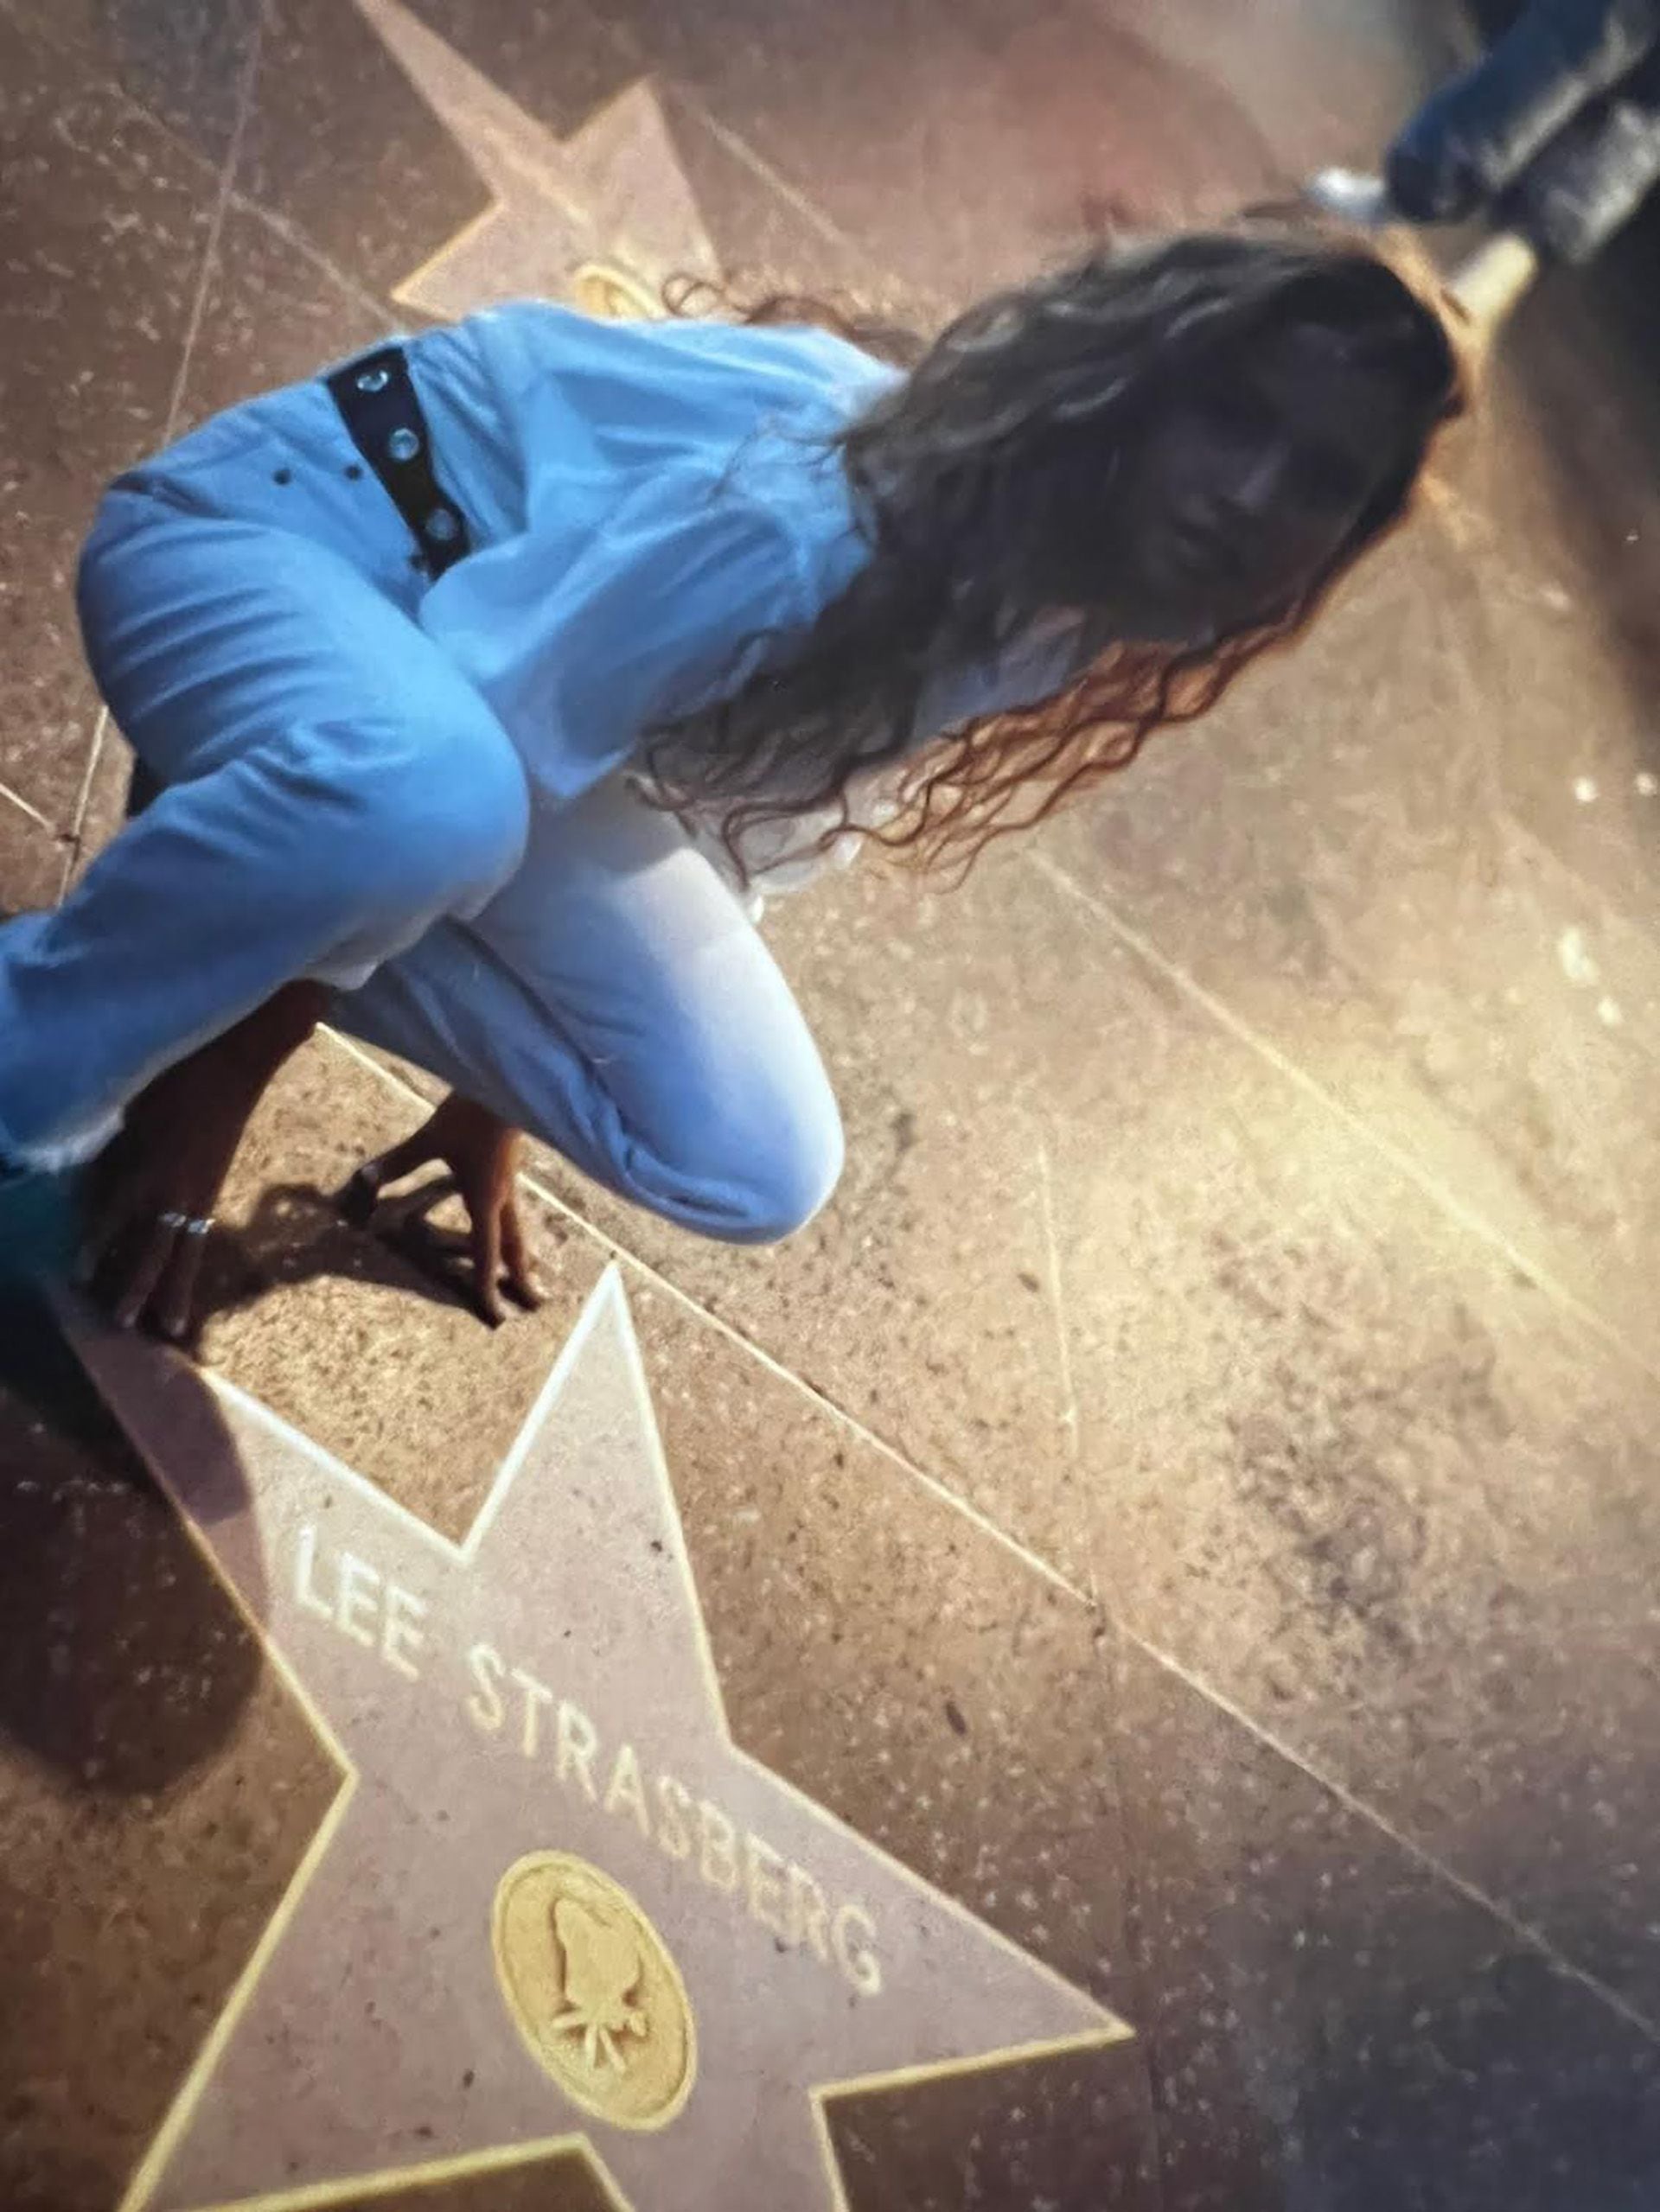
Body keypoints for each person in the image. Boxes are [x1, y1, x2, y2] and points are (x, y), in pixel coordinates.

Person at [0, 220, 1467, 1341]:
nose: (1250, 496)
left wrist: (495, 1093)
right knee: (422, 798)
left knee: (754, 1160)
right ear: (1135, 391)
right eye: (1236, 420)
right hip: (290, 537)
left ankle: (249, 860)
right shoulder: (825, 521)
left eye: (1319, 479)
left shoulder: (1056, 593)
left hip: (447, 699)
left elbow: (731, 826)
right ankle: (48, 1044)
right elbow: (493, 717)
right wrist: (211, 1095)